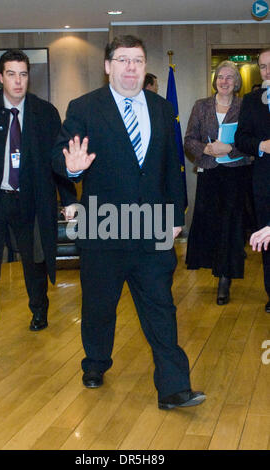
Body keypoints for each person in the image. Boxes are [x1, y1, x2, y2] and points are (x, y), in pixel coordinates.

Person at [52, 35, 206, 410]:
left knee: (160, 307)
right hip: (103, 226)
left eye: (137, 60)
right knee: (99, 306)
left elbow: (172, 164)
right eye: (122, 60)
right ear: (108, 66)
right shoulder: (85, 107)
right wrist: (70, 167)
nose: (131, 68)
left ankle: (173, 387)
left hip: (152, 226)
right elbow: (61, 155)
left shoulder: (159, 107)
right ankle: (96, 363)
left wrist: (174, 215)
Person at [0, 49, 76, 357]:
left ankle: (39, 308)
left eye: (23, 74)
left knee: (34, 261)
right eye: (12, 74)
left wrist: (69, 198)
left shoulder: (45, 113)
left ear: (29, 78)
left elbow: (59, 161)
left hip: (31, 200)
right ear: (1, 77)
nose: (18, 81)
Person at [184, 60, 252, 305]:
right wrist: (206, 149)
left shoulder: (246, 107)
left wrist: (230, 148)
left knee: (231, 225)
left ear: (236, 83)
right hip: (209, 172)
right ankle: (214, 265)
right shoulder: (200, 106)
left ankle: (225, 276)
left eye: (229, 77)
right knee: (211, 223)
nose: (224, 81)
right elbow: (189, 139)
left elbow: (253, 144)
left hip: (236, 175)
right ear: (215, 81)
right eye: (220, 77)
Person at [235, 48, 270, 313]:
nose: (267, 71)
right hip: (264, 181)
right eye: (263, 66)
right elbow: (241, 139)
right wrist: (261, 145)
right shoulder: (251, 100)